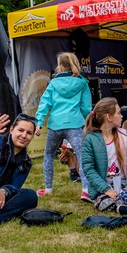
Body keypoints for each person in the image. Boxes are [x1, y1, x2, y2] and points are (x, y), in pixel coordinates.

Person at [34, 52, 91, 197]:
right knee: (82, 156)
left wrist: (39, 122)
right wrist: (88, 122)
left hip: (55, 125)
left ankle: (48, 189)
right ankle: (86, 190)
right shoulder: (82, 82)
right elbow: (86, 108)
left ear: (59, 67)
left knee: (48, 154)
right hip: (75, 124)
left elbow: (44, 103)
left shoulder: (53, 83)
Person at [81, 97, 127, 214]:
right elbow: (89, 169)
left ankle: (122, 203)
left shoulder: (124, 136)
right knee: (106, 201)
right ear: (109, 117)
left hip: (124, 185)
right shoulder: (90, 139)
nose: (121, 116)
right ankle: (120, 206)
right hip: (102, 188)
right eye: (118, 113)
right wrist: (106, 189)